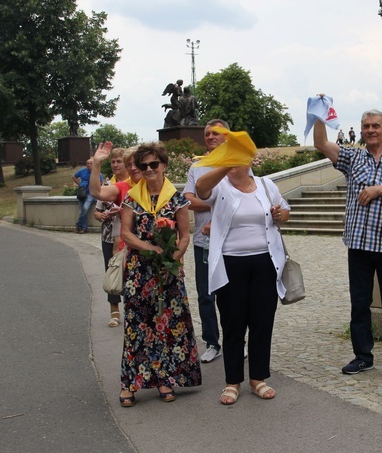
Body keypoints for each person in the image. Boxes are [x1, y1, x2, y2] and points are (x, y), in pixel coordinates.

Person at [97, 141, 201, 407]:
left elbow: (184, 236)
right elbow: (126, 233)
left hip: (167, 272)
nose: (149, 169)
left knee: (167, 326)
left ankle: (164, 379)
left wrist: (171, 260)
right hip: (139, 272)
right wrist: (150, 249)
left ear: (164, 165)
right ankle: (129, 384)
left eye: (154, 164)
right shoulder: (132, 196)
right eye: (143, 166)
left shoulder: (176, 198)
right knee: (138, 326)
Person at [313, 108, 382, 377]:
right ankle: (362, 356)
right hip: (359, 244)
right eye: (366, 126)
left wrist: (379, 189)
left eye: (375, 126)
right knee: (360, 304)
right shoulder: (353, 158)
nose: (370, 130)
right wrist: (319, 115)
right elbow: (321, 144)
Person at [194, 127, 291, 405]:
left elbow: (285, 212)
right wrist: (225, 166)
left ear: (251, 160)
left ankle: (258, 378)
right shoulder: (220, 185)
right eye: (233, 156)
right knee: (233, 322)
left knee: (262, 321)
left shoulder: (265, 185)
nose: (239, 161)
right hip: (230, 263)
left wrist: (279, 213)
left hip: (264, 261)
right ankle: (232, 381)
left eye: (243, 156)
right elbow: (201, 191)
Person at [183, 119, 229, 363]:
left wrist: (211, 204)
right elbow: (188, 201)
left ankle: (235, 341)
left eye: (216, 133)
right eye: (208, 133)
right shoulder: (197, 167)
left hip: (232, 242)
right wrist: (217, 202)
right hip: (203, 241)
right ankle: (212, 342)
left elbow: (243, 197)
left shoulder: (237, 164)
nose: (211, 136)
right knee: (205, 296)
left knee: (232, 296)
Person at [91, 147, 131, 327]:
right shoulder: (109, 184)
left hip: (129, 235)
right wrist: (101, 215)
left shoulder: (134, 184)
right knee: (113, 270)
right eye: (113, 161)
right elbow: (97, 208)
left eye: (119, 161)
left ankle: (132, 307)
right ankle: (114, 309)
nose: (115, 165)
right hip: (110, 234)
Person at [72, 159, 101, 234]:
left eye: (91, 163)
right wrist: (79, 184)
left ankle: (79, 225)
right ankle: (83, 228)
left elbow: (101, 182)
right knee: (81, 211)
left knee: (85, 209)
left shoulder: (96, 172)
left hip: (91, 194)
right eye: (87, 163)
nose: (89, 165)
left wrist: (95, 187)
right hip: (82, 193)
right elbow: (74, 176)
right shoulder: (82, 171)